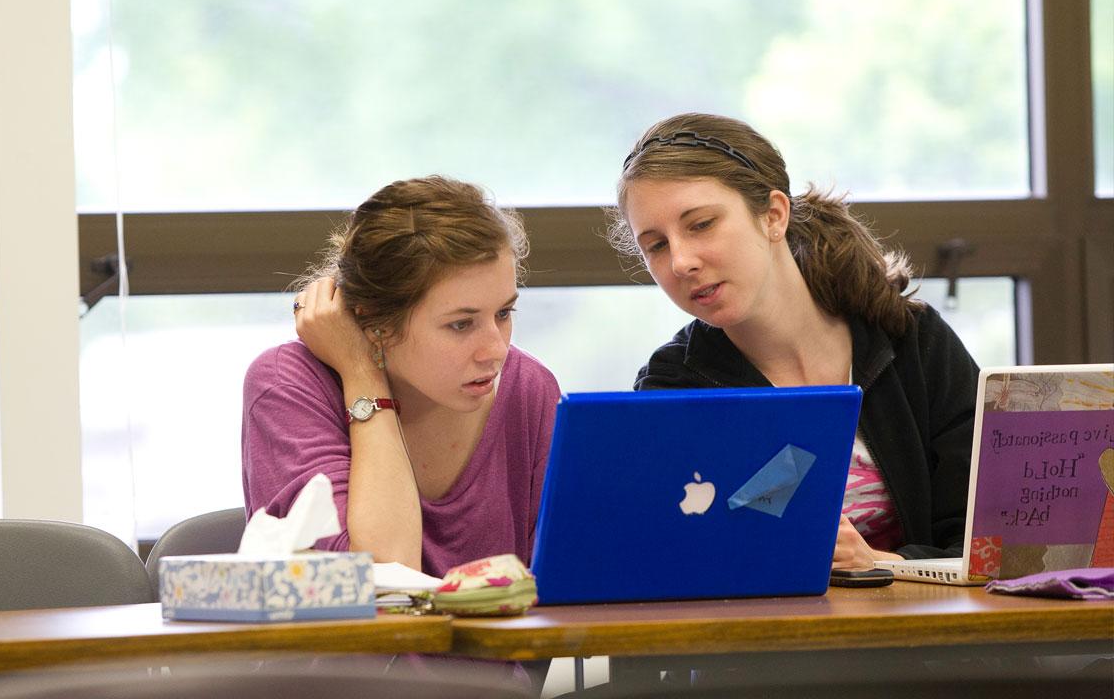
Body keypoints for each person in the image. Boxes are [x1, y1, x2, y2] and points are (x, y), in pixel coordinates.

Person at [608, 113, 979, 569]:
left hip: (922, 629)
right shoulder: (672, 388)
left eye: (701, 224)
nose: (681, 261)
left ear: (774, 216)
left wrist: (884, 566)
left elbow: (987, 539)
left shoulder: (914, 341)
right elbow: (679, 563)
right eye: (656, 246)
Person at [241, 175, 560, 579]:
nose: (496, 349)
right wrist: (362, 374)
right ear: (375, 324)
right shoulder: (286, 387)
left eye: (503, 313)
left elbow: (565, 592)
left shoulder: (529, 388)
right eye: (461, 325)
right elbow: (383, 580)